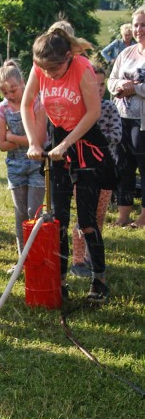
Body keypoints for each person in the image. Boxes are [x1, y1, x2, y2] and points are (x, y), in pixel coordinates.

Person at [22, 26, 115, 303]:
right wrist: (33, 143)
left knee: (86, 220)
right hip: (59, 143)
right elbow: (27, 104)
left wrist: (67, 144)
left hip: (87, 144)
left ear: (67, 58)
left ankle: (99, 280)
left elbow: (94, 112)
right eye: (45, 71)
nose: (49, 76)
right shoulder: (40, 68)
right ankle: (58, 281)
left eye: (54, 71)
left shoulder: (82, 67)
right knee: (58, 220)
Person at [71, 65, 122, 276]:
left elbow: (116, 135)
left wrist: (92, 134)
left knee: (99, 216)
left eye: (102, 84)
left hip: (104, 173)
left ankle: (93, 258)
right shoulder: (77, 109)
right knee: (82, 218)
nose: (99, 89)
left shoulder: (109, 108)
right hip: (82, 172)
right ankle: (77, 260)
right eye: (94, 84)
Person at [0, 60, 45, 266]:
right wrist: (20, 141)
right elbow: (1, 144)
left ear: (23, 82)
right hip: (15, 166)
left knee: (35, 211)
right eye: (5, 92)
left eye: (13, 89)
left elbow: (39, 141)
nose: (10, 95)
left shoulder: (37, 102)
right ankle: (23, 258)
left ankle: (40, 255)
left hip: (37, 164)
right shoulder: (2, 109)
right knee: (20, 213)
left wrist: (13, 137)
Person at [107, 6, 145, 228]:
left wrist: (136, 89)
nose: (139, 29)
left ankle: (143, 218)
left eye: (143, 24)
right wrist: (120, 85)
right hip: (121, 118)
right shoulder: (125, 53)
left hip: (142, 122)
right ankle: (123, 215)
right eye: (136, 24)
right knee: (124, 167)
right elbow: (110, 81)